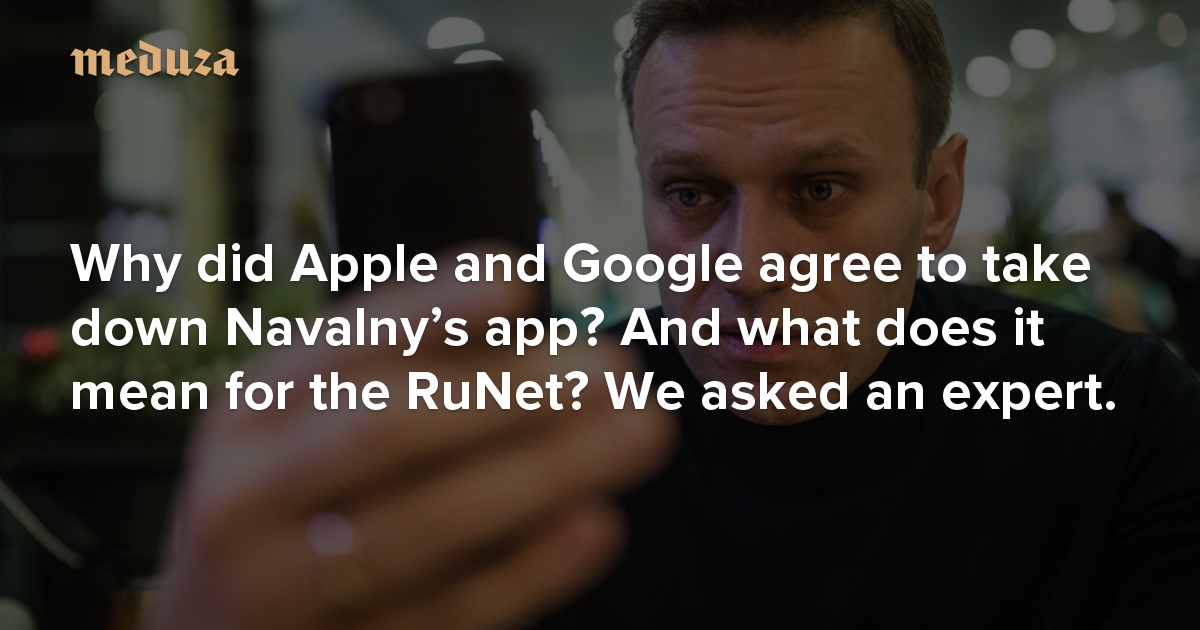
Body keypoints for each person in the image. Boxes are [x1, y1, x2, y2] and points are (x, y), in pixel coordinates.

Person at [144, 1, 1200, 629]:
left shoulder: (1119, 421)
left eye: (820, 190)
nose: (748, 267)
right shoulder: (537, 450)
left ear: (938, 197)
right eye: (692, 195)